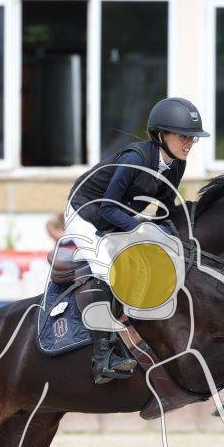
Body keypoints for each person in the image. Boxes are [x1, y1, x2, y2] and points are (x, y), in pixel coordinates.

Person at [65, 96, 209, 383]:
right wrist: (141, 229)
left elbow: (165, 208)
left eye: (192, 138)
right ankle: (102, 357)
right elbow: (107, 209)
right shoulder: (135, 159)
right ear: (161, 135)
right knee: (106, 269)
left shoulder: (176, 165)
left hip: (118, 216)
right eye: (183, 136)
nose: (189, 143)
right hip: (86, 213)